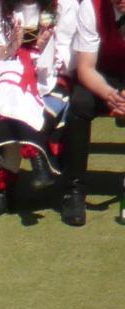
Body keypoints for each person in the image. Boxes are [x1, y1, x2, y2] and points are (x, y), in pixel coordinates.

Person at [0, 0, 65, 217]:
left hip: (44, 77)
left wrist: (41, 50)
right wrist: (10, 49)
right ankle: (35, 156)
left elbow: (64, 57)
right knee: (8, 85)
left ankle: (2, 191)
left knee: (10, 96)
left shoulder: (60, 5)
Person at [55, 0, 125, 224]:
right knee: (79, 104)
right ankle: (73, 191)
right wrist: (111, 95)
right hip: (101, 75)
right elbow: (85, 67)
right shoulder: (91, 6)